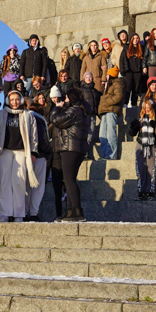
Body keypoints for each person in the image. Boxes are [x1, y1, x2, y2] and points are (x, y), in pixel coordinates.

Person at [0, 89, 39, 223]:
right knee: (5, 182)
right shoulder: (1, 114)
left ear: (21, 101)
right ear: (8, 101)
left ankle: (19, 214)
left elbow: (33, 135)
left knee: (19, 182)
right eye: (12, 100)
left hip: (21, 151)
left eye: (17, 99)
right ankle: (4, 213)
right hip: (4, 151)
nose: (14, 102)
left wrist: (33, 152)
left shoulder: (27, 115)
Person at [50, 84, 90, 221]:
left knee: (68, 180)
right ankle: (70, 211)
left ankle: (77, 212)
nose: (65, 100)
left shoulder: (75, 111)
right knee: (69, 180)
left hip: (70, 148)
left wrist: (57, 108)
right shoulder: (82, 110)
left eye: (67, 97)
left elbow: (55, 120)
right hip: (77, 148)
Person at [24, 96, 52, 222]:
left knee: (26, 186)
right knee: (38, 186)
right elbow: (42, 139)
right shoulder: (39, 119)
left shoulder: (25, 117)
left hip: (25, 156)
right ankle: (33, 212)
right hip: (39, 156)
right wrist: (48, 151)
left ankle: (24, 212)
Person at [131, 97, 156, 201]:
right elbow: (131, 133)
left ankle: (150, 192)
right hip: (141, 144)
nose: (147, 109)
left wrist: (153, 124)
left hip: (153, 145)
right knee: (141, 169)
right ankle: (141, 191)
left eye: (149, 107)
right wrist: (133, 127)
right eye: (145, 107)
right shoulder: (140, 119)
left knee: (152, 169)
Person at [97, 67, 126, 160]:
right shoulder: (109, 85)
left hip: (111, 111)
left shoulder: (117, 84)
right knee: (102, 134)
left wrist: (107, 102)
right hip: (105, 111)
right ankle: (104, 154)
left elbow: (119, 97)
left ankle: (111, 155)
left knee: (110, 133)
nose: (106, 76)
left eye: (107, 75)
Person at [123, 33, 146, 108]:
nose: (135, 40)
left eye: (137, 38)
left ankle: (134, 104)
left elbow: (143, 59)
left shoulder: (141, 48)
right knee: (128, 87)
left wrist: (143, 68)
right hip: (129, 71)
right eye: (134, 38)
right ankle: (125, 103)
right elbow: (123, 59)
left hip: (138, 72)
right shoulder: (126, 48)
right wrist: (124, 70)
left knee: (136, 89)